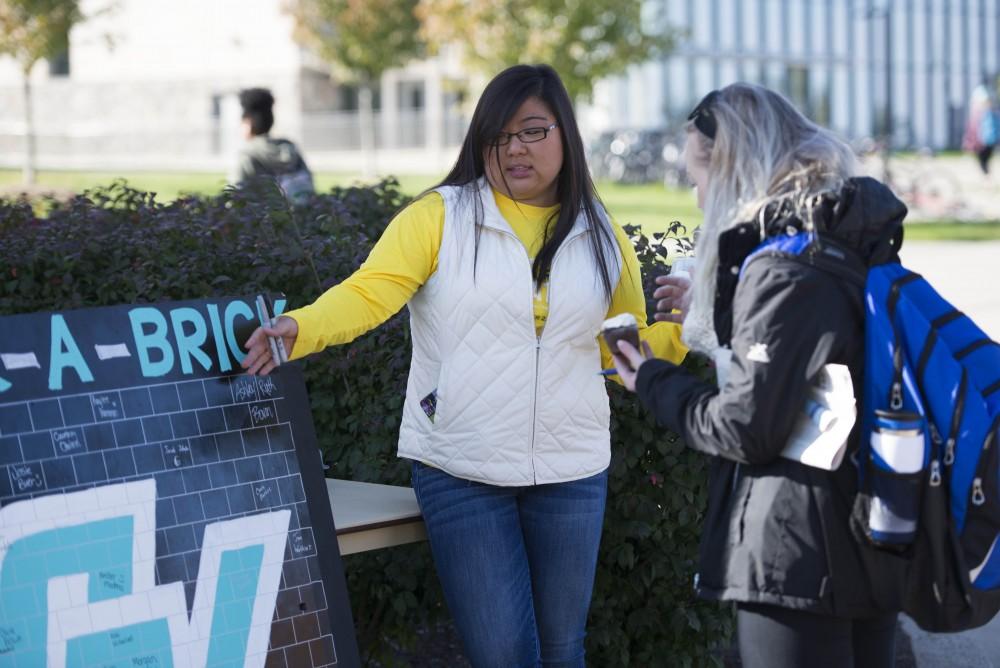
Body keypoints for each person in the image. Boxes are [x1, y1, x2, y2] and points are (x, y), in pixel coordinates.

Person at [241, 64, 686, 666]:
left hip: (571, 468)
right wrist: (301, 327)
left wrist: (684, 329)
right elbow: (371, 291)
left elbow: (621, 350)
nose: (514, 150)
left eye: (531, 131)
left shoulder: (601, 233)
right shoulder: (441, 216)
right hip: (462, 465)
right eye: (498, 138)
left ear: (566, 135)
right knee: (503, 654)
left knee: (562, 650)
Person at [612, 83, 909, 668]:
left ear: (728, 169)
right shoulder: (842, 242)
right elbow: (803, 364)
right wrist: (706, 313)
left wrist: (648, 377)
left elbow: (747, 426)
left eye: (696, 178)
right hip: (869, 523)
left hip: (800, 545)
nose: (697, 198)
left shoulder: (782, 268)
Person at [230, 87, 315, 201]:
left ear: (248, 123)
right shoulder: (290, 148)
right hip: (297, 214)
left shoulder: (248, 155)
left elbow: (235, 198)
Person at [962, 83, 999, 177]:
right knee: (983, 160)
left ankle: (986, 176)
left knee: (984, 159)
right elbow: (972, 130)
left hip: (987, 141)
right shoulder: (981, 115)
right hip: (982, 142)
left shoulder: (990, 114)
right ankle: (986, 175)